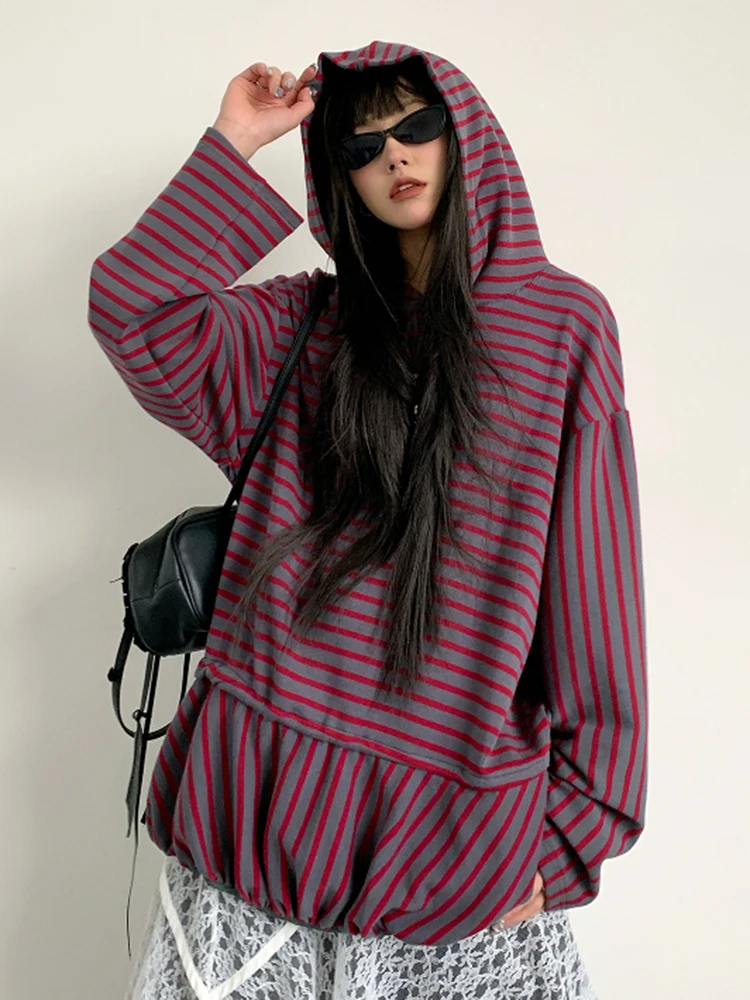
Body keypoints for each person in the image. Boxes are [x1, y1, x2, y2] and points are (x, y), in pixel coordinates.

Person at [87, 40, 648, 1000]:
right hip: (258, 829)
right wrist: (235, 140)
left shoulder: (564, 330)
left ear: (464, 134)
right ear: (338, 175)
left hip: (451, 856)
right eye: (360, 144)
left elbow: (595, 595)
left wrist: (575, 831)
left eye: (416, 125)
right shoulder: (305, 327)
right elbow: (133, 311)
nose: (393, 154)